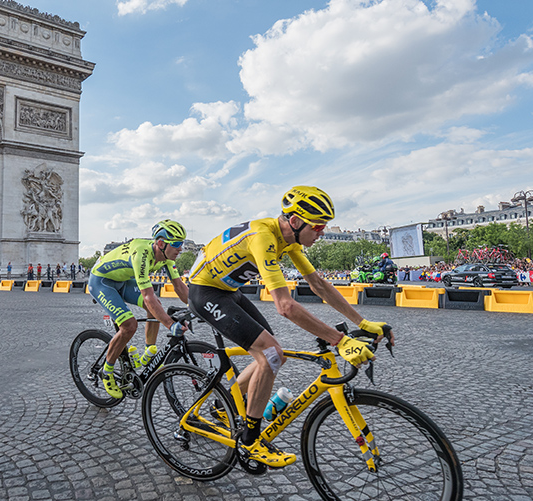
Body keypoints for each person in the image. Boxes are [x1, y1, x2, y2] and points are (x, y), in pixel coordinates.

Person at [188, 186, 394, 468]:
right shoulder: (263, 237)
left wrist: (364, 323)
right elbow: (285, 306)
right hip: (205, 292)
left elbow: (319, 284)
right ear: (295, 221)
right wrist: (340, 340)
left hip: (228, 291)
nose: (321, 233)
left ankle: (221, 405)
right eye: (319, 226)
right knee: (271, 354)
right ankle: (249, 441)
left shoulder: (291, 240)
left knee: (275, 354)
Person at [89, 219, 190, 398]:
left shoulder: (167, 257)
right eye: (176, 244)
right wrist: (170, 325)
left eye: (181, 243)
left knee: (155, 307)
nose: (180, 248)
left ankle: (149, 352)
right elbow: (148, 296)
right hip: (102, 281)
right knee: (129, 325)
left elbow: (179, 286)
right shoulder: (141, 254)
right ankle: (107, 370)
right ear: (161, 243)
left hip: (123, 280)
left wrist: (199, 307)